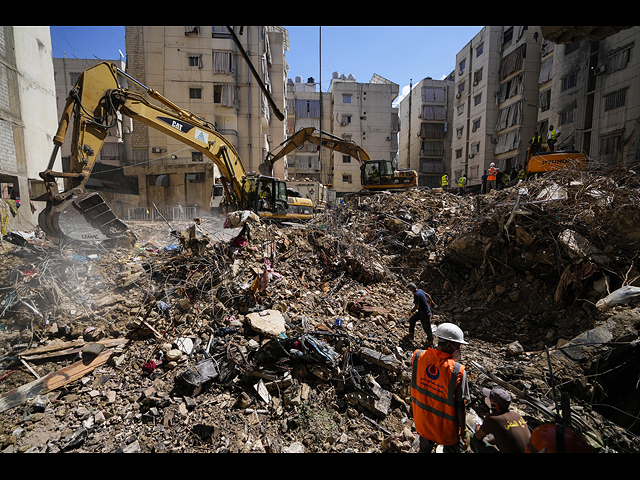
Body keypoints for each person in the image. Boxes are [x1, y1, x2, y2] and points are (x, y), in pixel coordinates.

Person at [410, 323, 470, 453]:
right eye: (458, 346)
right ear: (450, 345)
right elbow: (460, 405)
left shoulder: (419, 357)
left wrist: (412, 407)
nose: (459, 350)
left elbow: (414, 385)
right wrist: (464, 430)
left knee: (424, 449)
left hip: (423, 420)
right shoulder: (457, 371)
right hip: (446, 428)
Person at [470, 387, 531, 453]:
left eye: (489, 399)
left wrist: (478, 427)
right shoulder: (517, 415)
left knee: (473, 437)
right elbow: (506, 437)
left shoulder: (492, 418)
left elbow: (478, 436)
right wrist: (489, 442)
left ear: (497, 406)